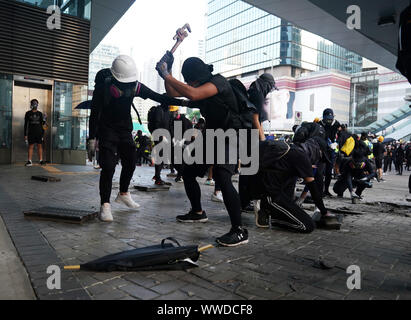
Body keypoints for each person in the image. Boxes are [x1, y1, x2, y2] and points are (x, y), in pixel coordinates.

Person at [156, 53, 248, 247]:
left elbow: (193, 94)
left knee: (223, 177)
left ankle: (239, 231)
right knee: (189, 172)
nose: (190, 83)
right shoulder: (200, 85)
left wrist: (166, 75)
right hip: (211, 134)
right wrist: (168, 70)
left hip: (231, 134)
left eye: (190, 80)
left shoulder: (218, 82)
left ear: (197, 77)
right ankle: (197, 212)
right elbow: (173, 93)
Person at [88, 55, 188, 222]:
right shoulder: (104, 87)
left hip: (125, 130)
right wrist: (92, 138)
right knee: (108, 166)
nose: (128, 84)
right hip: (107, 130)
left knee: (131, 160)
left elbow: (159, 97)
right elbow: (94, 113)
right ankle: (104, 205)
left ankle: (123, 193)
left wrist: (185, 103)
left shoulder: (135, 86)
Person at [242, 137, 339, 232]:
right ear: (318, 151)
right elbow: (313, 189)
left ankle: (271, 214)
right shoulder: (302, 157)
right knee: (307, 226)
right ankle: (267, 210)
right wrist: (324, 212)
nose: (318, 162)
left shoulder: (294, 150)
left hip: (270, 191)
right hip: (269, 195)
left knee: (298, 216)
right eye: (320, 159)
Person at [239, 73, 277, 212]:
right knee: (249, 170)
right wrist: (263, 141)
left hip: (246, 134)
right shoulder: (258, 95)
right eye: (271, 87)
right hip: (250, 135)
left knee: (247, 170)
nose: (270, 90)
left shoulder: (254, 90)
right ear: (267, 84)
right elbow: (256, 119)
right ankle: (243, 202)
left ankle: (243, 201)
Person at [319, 108, 341, 197]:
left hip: (331, 150)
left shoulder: (336, 124)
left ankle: (326, 190)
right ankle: (320, 190)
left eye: (330, 118)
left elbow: (341, 135)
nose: (328, 120)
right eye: (327, 118)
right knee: (320, 172)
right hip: (321, 150)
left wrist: (337, 142)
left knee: (328, 172)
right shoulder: (319, 124)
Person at [24, 99, 46, 166]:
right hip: (31, 133)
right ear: (31, 104)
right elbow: (26, 124)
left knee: (40, 146)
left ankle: (41, 160)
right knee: (31, 146)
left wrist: (44, 119)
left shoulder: (40, 114)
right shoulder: (28, 113)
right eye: (33, 103)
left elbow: (43, 124)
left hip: (39, 133)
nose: (35, 104)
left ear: (38, 104)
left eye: (36, 103)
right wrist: (25, 134)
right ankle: (29, 161)